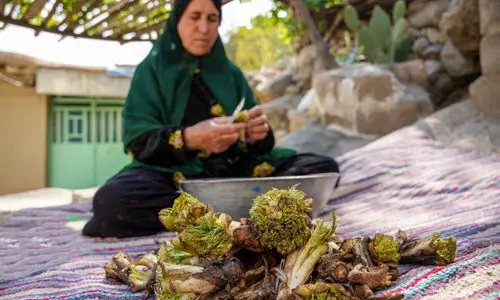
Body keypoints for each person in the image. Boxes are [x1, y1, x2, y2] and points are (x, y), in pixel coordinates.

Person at [82, 0, 340, 238]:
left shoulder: (230, 73)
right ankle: (241, 210)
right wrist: (190, 138)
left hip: (235, 172)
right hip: (174, 179)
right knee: (112, 202)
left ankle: (206, 213)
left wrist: (255, 134)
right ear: (177, 21)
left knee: (323, 169)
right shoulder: (151, 71)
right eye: (194, 16)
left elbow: (261, 144)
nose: (204, 27)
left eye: (212, 18)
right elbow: (138, 141)